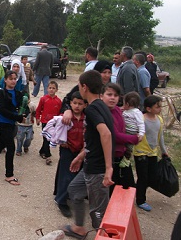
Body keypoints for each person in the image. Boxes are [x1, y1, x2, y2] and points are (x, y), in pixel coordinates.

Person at [62, 70, 114, 238]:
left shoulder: (92, 110)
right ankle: (78, 228)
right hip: (89, 164)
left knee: (98, 213)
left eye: (79, 85)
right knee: (75, 191)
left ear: (84, 87)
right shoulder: (100, 106)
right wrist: (80, 156)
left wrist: (108, 168)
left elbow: (106, 134)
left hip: (98, 170)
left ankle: (103, 236)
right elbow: (95, 141)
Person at [0, 70, 27, 186]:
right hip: (3, 123)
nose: (13, 81)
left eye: (15, 79)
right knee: (11, 147)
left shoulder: (18, 93)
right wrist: (17, 117)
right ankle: (9, 175)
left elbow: (24, 107)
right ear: (5, 80)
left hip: (12, 123)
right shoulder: (1, 93)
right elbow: (2, 110)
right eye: (11, 79)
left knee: (1, 144)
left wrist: (24, 113)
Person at [101, 84, 139, 196]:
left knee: (128, 189)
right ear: (101, 96)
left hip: (121, 155)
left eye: (116, 95)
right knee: (111, 191)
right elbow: (115, 136)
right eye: (109, 94)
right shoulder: (103, 113)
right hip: (109, 157)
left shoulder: (117, 110)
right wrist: (134, 138)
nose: (113, 98)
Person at [133, 95, 169, 211]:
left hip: (153, 153)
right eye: (157, 107)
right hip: (140, 153)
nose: (160, 109)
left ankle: (138, 189)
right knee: (143, 177)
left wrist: (164, 151)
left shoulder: (159, 120)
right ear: (148, 108)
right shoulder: (141, 120)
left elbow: (160, 136)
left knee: (152, 176)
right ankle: (140, 200)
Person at [53, 91, 86, 217]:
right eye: (75, 103)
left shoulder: (86, 118)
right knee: (65, 175)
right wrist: (61, 141)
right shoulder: (65, 117)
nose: (77, 106)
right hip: (67, 149)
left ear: (85, 105)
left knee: (77, 175)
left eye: (80, 103)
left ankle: (74, 195)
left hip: (81, 150)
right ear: (70, 103)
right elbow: (55, 129)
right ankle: (61, 200)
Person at [36, 81, 62, 164]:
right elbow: (38, 110)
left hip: (54, 123)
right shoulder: (43, 99)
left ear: (56, 90)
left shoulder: (58, 101)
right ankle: (48, 155)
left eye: (53, 88)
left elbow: (60, 113)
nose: (51, 90)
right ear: (47, 89)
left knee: (49, 138)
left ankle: (42, 151)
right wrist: (37, 118)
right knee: (46, 138)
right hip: (45, 121)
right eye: (50, 88)